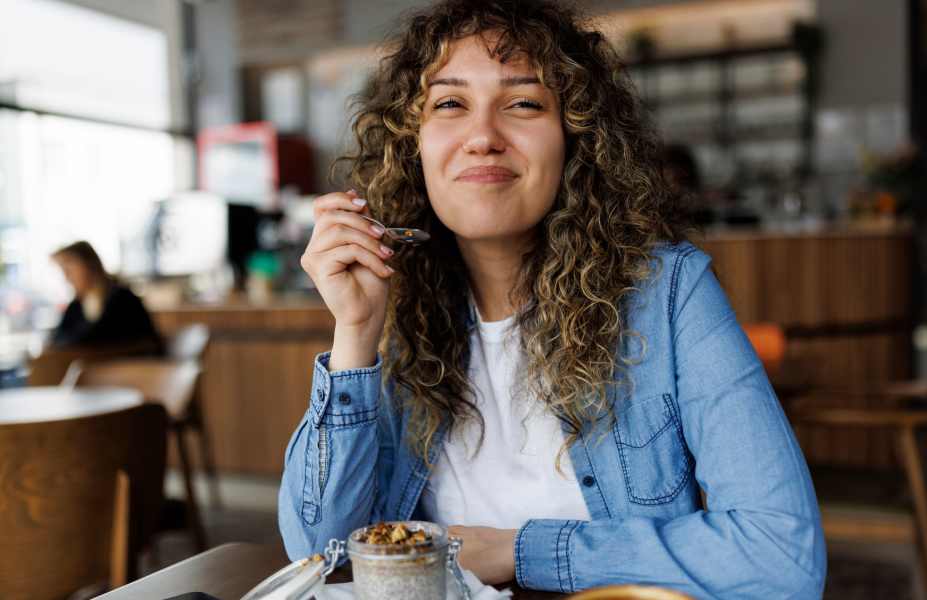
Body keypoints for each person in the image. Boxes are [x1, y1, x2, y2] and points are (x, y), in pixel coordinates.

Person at [279, 1, 825, 597]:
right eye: (450, 104)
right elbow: (321, 558)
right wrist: (355, 334)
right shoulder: (395, 308)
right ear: (414, 148)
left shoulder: (669, 295)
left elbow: (781, 557)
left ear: (576, 137)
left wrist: (515, 550)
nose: (482, 137)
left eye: (522, 103)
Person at [49, 241, 163, 353]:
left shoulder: (122, 299)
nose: (67, 277)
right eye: (63, 270)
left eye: (69, 269)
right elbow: (56, 339)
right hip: (89, 369)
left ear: (89, 265)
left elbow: (93, 339)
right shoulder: (76, 306)